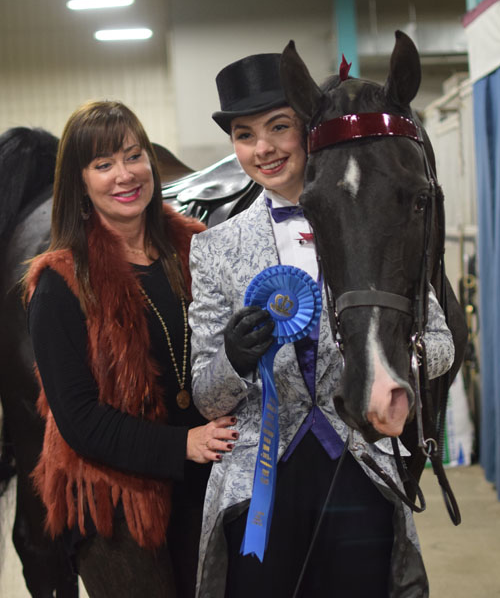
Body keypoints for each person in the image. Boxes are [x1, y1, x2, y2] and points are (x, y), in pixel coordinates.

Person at [188, 54, 456, 597]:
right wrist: (235, 360)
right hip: (258, 485)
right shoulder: (213, 248)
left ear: (309, 128)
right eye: (245, 135)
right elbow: (205, 397)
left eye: (279, 127)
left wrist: (397, 354)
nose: (263, 148)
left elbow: (442, 345)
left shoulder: (374, 219)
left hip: (359, 466)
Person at [24, 100, 237, 598]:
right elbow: (80, 420)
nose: (124, 175)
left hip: (204, 480)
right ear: (80, 182)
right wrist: (183, 445)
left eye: (133, 155)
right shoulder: (60, 284)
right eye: (103, 165)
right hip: (115, 499)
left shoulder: (198, 250)